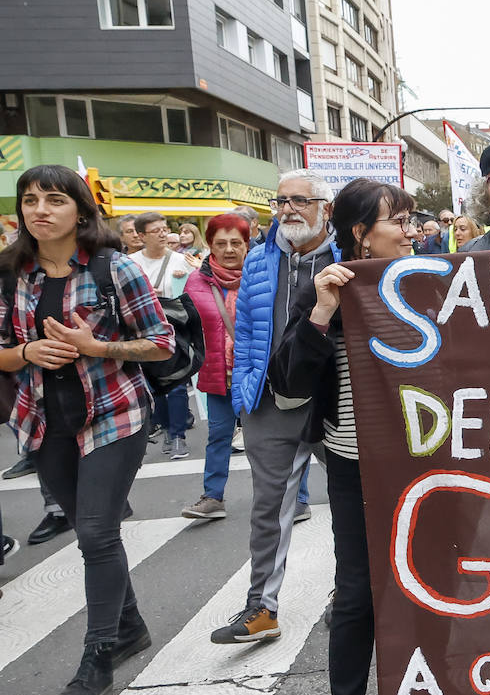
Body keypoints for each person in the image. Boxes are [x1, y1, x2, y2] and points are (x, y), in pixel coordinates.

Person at [0, 164, 173, 695]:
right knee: (89, 532)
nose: (40, 210)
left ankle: (97, 657)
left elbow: (161, 343)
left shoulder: (113, 268)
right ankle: (129, 626)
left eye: (55, 199)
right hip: (43, 420)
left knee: (97, 533)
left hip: (113, 414)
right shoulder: (10, 273)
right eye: (31, 200)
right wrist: (26, 352)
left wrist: (96, 347)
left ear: (80, 210)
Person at [268, 178, 415, 695]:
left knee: (442, 583)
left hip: (427, 466)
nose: (410, 231)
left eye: (410, 220)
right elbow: (288, 385)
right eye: (397, 220)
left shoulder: (431, 283)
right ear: (361, 233)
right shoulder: (323, 291)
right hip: (355, 467)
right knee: (356, 594)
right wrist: (323, 312)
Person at [211, 169, 344, 645]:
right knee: (268, 509)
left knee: (351, 502)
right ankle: (261, 608)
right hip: (269, 400)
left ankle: (348, 593)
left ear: (326, 209)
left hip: (336, 400)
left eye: (300, 201)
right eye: (281, 200)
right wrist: (244, 393)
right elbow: (247, 332)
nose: (288, 209)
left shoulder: (352, 256)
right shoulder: (259, 260)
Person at [180, 213, 249, 521]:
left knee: (272, 441)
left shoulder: (262, 275)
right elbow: (187, 328)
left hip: (258, 374)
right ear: (209, 244)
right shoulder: (196, 282)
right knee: (219, 436)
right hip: (218, 374)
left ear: (247, 244)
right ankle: (212, 497)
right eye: (221, 243)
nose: (229, 249)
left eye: (236, 242)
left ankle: (295, 498)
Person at [127, 212, 194, 458]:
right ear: (141, 236)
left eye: (165, 229)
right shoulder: (129, 263)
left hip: (175, 329)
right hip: (143, 330)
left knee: (176, 384)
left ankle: (177, 436)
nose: (163, 234)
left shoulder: (181, 260)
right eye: (156, 231)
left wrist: (185, 280)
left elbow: (195, 292)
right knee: (153, 385)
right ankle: (166, 428)